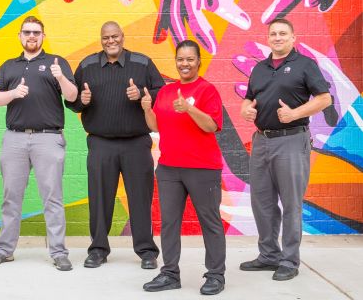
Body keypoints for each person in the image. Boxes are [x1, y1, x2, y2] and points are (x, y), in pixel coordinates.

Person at [65, 21, 164, 269]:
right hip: (101, 144)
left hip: (137, 143)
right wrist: (82, 101)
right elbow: (72, 100)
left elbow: (161, 95)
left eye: (115, 36)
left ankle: (146, 251)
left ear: (122, 36)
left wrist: (142, 96)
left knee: (140, 199)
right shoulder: (87, 65)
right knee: (99, 200)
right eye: (106, 37)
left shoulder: (142, 63)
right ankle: (98, 249)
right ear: (101, 39)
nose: (111, 41)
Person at [0, 16, 77, 271]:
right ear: (20, 36)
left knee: (53, 198)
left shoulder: (56, 63)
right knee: (11, 197)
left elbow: (72, 96)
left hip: (48, 137)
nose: (31, 36)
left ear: (43, 36)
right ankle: (4, 250)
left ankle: (58, 252)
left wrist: (61, 78)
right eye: (27, 32)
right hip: (14, 138)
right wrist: (13, 94)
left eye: (36, 32)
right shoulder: (9, 66)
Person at [239, 18, 331, 281]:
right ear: (268, 38)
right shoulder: (259, 68)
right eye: (273, 34)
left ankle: (289, 260)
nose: (277, 37)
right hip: (261, 141)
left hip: (291, 140)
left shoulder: (304, 65)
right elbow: (249, 97)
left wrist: (295, 113)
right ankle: (269, 255)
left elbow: (325, 99)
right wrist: (246, 108)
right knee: (262, 202)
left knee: (291, 203)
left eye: (283, 34)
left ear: (293, 38)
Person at [140, 40, 226, 295]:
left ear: (198, 61)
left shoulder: (207, 90)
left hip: (202, 168)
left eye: (190, 59)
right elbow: (155, 126)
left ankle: (215, 275)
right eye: (180, 59)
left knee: (209, 222)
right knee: (169, 223)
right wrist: (146, 108)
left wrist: (189, 108)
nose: (184, 64)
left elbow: (212, 126)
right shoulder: (167, 92)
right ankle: (169, 273)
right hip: (169, 168)